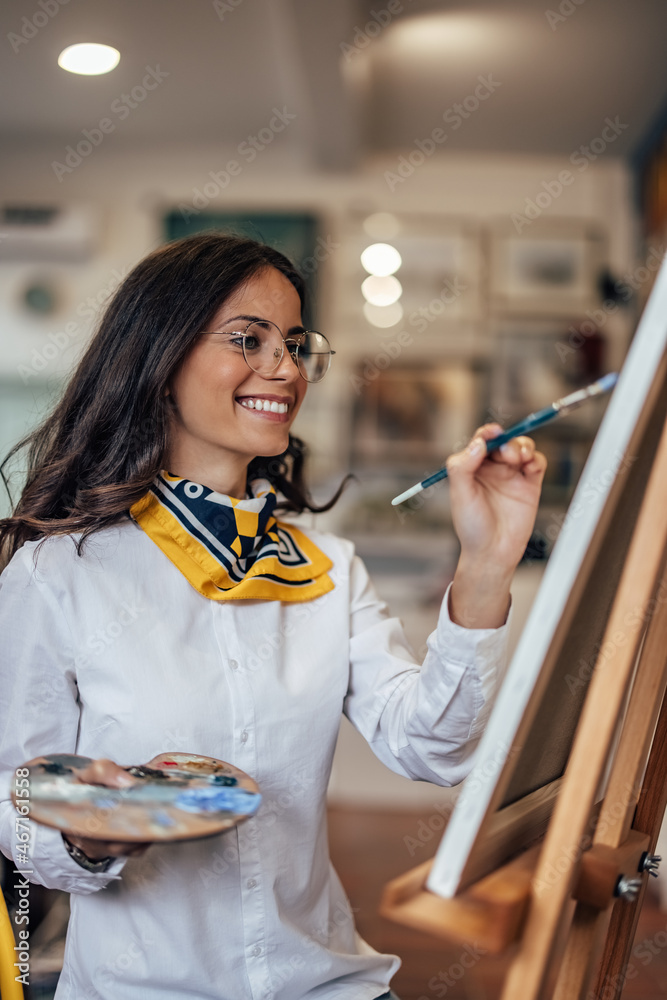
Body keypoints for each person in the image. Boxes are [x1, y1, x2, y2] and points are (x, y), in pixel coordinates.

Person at [0, 232, 546, 1000]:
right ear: (160, 364)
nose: (284, 369)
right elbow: (15, 798)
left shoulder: (327, 567)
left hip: (327, 983)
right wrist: (87, 831)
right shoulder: (60, 573)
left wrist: (486, 564)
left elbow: (432, 748)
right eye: (247, 340)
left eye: (293, 343)